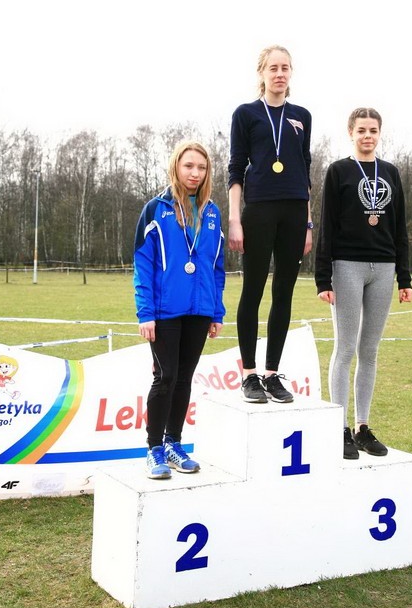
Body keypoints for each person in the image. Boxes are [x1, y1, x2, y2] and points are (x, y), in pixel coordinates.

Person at [315, 107, 412, 459]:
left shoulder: (390, 172)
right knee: (345, 349)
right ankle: (338, 428)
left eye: (373, 130)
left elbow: (399, 227)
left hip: (383, 267)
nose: (367, 136)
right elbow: (326, 225)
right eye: (361, 130)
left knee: (369, 351)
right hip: (347, 266)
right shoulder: (338, 171)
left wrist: (404, 276)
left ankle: (362, 427)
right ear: (351, 133)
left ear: (379, 133)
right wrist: (322, 278)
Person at [133, 140, 225, 479]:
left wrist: (216, 311)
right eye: (189, 166)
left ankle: (174, 443)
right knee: (166, 377)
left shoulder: (212, 212)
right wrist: (145, 313)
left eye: (201, 167)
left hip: (199, 310)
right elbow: (143, 263)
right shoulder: (155, 209)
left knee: (185, 377)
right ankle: (154, 449)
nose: (195, 173)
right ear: (176, 167)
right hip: (165, 310)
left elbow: (217, 266)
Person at [228, 45, 313, 404]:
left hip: (294, 212)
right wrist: (235, 218)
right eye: (273, 68)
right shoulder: (246, 114)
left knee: (284, 292)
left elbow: (305, 170)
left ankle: (272, 373)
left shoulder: (302, 116)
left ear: (291, 73)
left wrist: (308, 222)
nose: (280, 74)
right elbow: (236, 168)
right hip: (258, 210)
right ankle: (249, 374)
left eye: (285, 68)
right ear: (261, 72)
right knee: (253, 289)